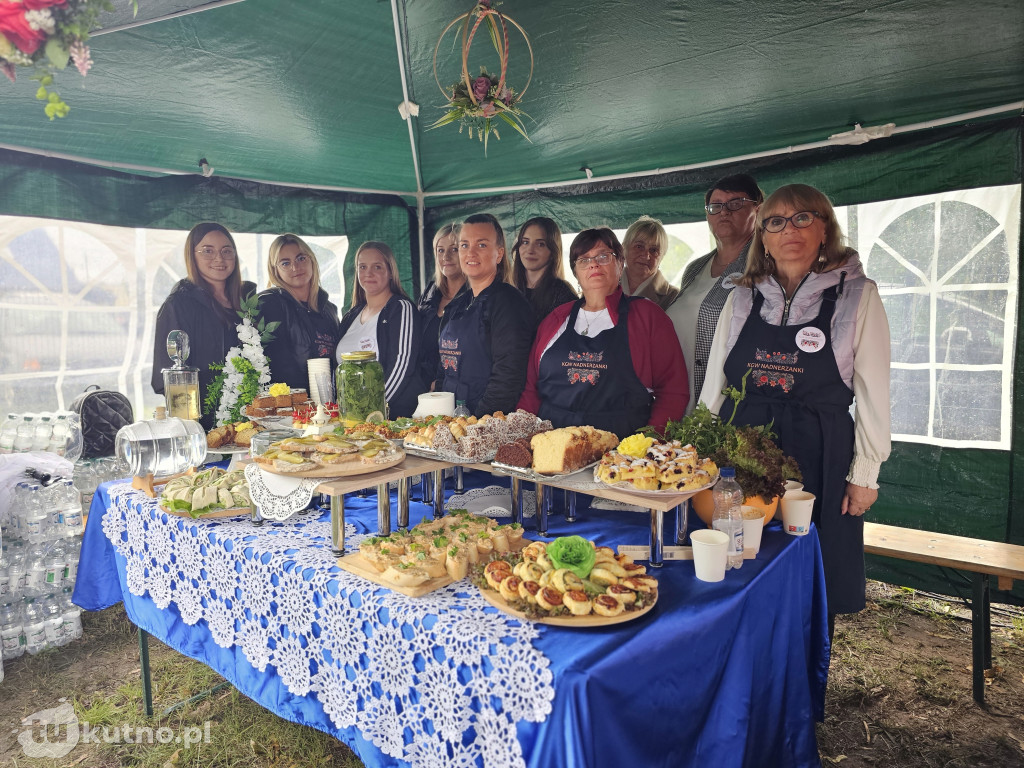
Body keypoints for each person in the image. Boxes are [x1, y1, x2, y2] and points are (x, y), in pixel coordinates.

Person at [700, 183, 891, 629]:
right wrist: (698, 450)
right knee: (742, 555)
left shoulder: (857, 295)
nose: (790, 230)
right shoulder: (741, 297)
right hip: (741, 447)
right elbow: (716, 383)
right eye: (776, 221)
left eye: (803, 217)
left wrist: (865, 475)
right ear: (762, 237)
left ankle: (801, 663)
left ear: (825, 228)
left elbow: (873, 393)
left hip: (817, 448)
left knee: (809, 569)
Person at [518, 227, 688, 436]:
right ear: (575, 272)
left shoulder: (647, 316)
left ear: (620, 263)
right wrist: (522, 439)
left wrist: (649, 443)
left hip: (620, 451)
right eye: (584, 259)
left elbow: (673, 391)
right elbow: (530, 390)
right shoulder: (555, 320)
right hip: (553, 446)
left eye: (604, 256)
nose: (594, 264)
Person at [668, 174, 764, 413]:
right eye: (716, 206)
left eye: (735, 203)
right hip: (682, 395)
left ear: (758, 209)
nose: (724, 212)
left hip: (726, 403)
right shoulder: (695, 268)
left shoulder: (763, 267)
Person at [152, 222, 256, 430]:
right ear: (192, 255)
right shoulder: (178, 305)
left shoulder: (248, 301)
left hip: (248, 418)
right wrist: (192, 427)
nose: (219, 258)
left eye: (227, 251)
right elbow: (165, 378)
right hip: (203, 423)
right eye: (208, 251)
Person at [438, 213, 535, 416]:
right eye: (464, 245)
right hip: (451, 419)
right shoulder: (458, 304)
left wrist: (477, 424)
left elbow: (507, 378)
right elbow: (444, 369)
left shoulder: (508, 304)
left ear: (499, 254)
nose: (470, 253)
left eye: (481, 245)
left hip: (486, 425)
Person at [336, 242, 423, 418]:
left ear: (390, 272)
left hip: (389, 420)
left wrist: (373, 411)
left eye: (377, 267)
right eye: (363, 267)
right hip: (350, 420)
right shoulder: (350, 316)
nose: (368, 273)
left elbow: (401, 366)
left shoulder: (401, 308)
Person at [258, 234, 340, 391]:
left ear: (312, 260)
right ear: (275, 270)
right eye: (285, 263)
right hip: (286, 407)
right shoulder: (268, 303)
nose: (295, 267)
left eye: (301, 258)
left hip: (328, 406)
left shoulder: (330, 310)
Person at [417, 224, 468, 389]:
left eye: (454, 249)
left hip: (458, 390)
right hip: (422, 389)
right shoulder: (429, 294)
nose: (446, 256)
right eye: (440, 250)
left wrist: (440, 384)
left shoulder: (475, 297)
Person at [511, 216, 577, 322]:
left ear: (553, 251)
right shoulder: (509, 289)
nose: (530, 250)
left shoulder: (563, 294)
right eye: (525, 242)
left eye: (540, 244)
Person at [619, 215, 678, 310]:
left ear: (662, 257)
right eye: (639, 246)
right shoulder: (604, 288)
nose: (646, 255)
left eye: (654, 250)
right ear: (623, 248)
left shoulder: (674, 297)